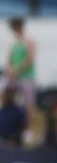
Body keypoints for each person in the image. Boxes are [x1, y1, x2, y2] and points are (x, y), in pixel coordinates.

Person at [6, 17, 36, 146]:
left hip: (26, 77)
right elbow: (10, 59)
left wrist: (16, 70)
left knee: (29, 105)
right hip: (15, 77)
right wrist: (9, 69)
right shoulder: (15, 42)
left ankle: (28, 132)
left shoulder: (28, 41)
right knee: (5, 96)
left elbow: (29, 59)